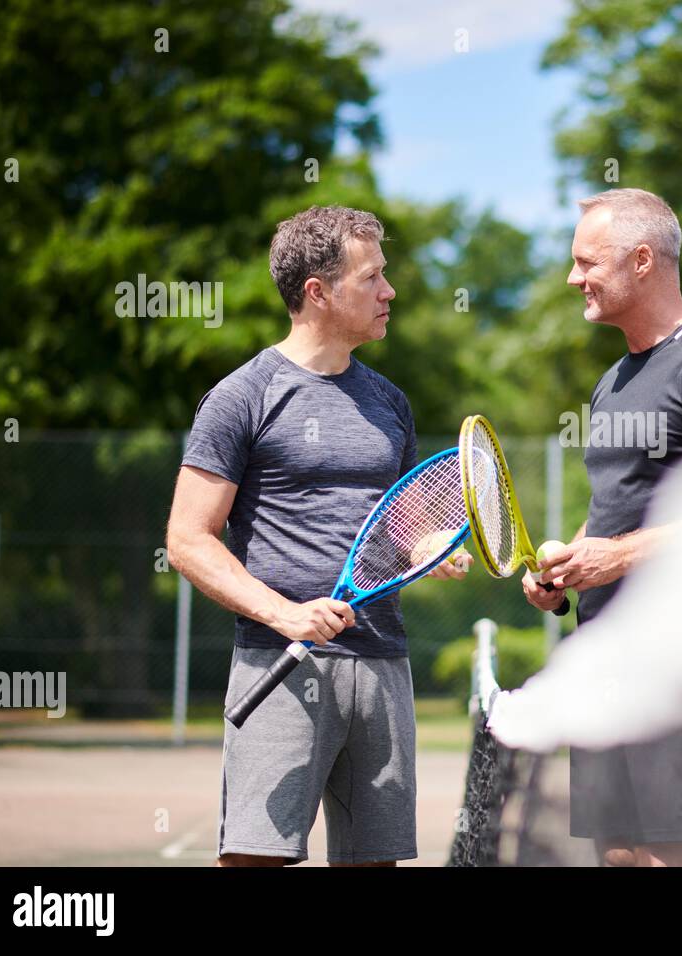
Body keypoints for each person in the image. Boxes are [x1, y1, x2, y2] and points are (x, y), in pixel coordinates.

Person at [166, 205, 468, 867]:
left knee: (374, 862)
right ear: (318, 292)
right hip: (277, 665)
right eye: (373, 278)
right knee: (255, 858)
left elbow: (398, 526)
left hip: (382, 662)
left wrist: (426, 549)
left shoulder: (389, 401)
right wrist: (286, 615)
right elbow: (188, 539)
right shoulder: (240, 397)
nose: (389, 292)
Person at [523, 188, 682, 866]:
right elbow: (616, 506)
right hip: (601, 652)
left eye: (586, 262)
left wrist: (620, 558)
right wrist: (567, 565)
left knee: (666, 856)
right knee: (620, 856)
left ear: (640, 261)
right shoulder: (611, 382)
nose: (574, 278)